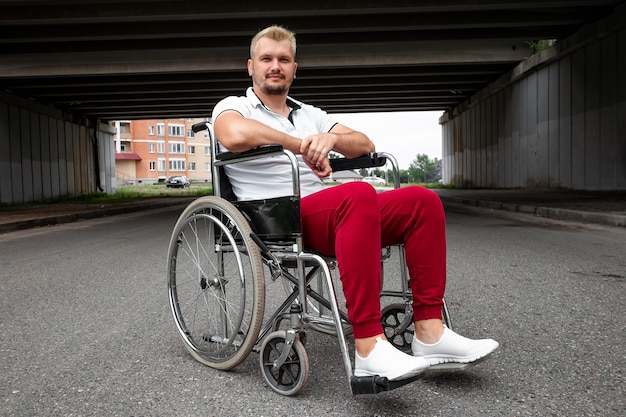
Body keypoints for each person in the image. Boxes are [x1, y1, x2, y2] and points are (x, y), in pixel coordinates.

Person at [212, 25, 499, 381]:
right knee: (358, 193)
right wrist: (298, 144)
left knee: (422, 201)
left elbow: (364, 143)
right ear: (250, 66)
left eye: (283, 59)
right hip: (276, 216)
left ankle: (430, 333)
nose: (275, 65)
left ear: (294, 68)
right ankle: (368, 346)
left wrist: (329, 137)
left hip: (332, 208)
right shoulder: (234, 106)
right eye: (266, 59)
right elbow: (232, 134)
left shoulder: (309, 114)